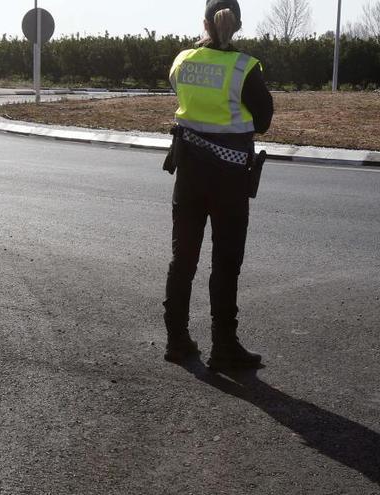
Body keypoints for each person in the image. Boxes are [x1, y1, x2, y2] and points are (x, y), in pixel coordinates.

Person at [162, 0, 274, 369]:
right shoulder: (245, 67)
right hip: (229, 179)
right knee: (225, 263)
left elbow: (180, 94)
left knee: (184, 260)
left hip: (189, 174)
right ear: (237, 25)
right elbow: (264, 120)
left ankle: (177, 341)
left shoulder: (183, 61)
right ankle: (224, 347)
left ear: (205, 24)